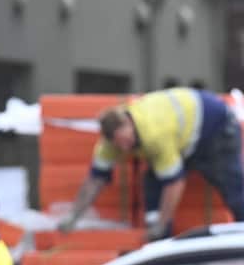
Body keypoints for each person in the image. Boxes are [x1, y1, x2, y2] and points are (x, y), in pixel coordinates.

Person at [58, 87, 244, 240]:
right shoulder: (110, 144)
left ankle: (239, 238)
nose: (124, 149)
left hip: (216, 127)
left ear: (128, 123)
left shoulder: (154, 134)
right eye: (118, 144)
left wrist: (162, 224)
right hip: (186, 135)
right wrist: (74, 216)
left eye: (125, 141)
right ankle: (161, 238)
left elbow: (174, 183)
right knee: (152, 181)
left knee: (231, 185)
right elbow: (94, 180)